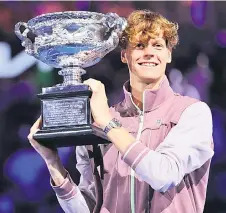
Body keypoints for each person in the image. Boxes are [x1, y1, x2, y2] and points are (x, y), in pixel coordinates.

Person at [28, 9, 214, 213]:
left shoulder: (192, 112)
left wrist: (108, 124)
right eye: (140, 46)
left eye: (158, 45)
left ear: (168, 54)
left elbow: (163, 175)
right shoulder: (97, 123)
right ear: (124, 55)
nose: (149, 52)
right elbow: (87, 209)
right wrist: (53, 162)